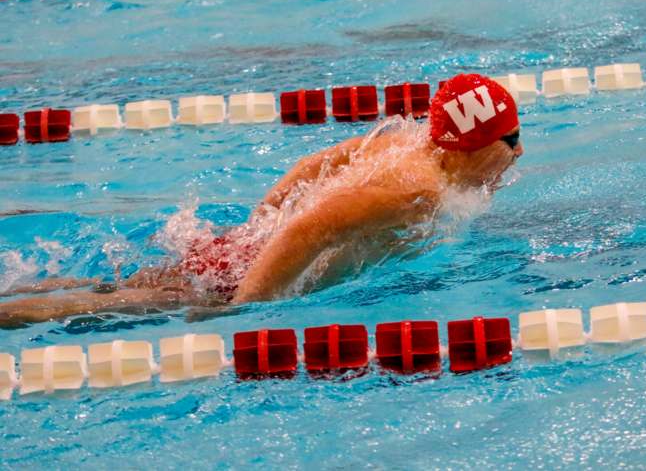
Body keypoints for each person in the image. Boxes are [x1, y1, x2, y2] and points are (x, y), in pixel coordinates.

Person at [0, 74, 524, 327]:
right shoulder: (419, 191)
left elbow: (307, 168)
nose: (519, 152)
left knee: (120, 285)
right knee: (102, 307)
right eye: (511, 139)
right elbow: (312, 228)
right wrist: (245, 309)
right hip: (252, 275)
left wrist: (255, 229)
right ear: (475, 145)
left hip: (246, 251)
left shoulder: (408, 143)